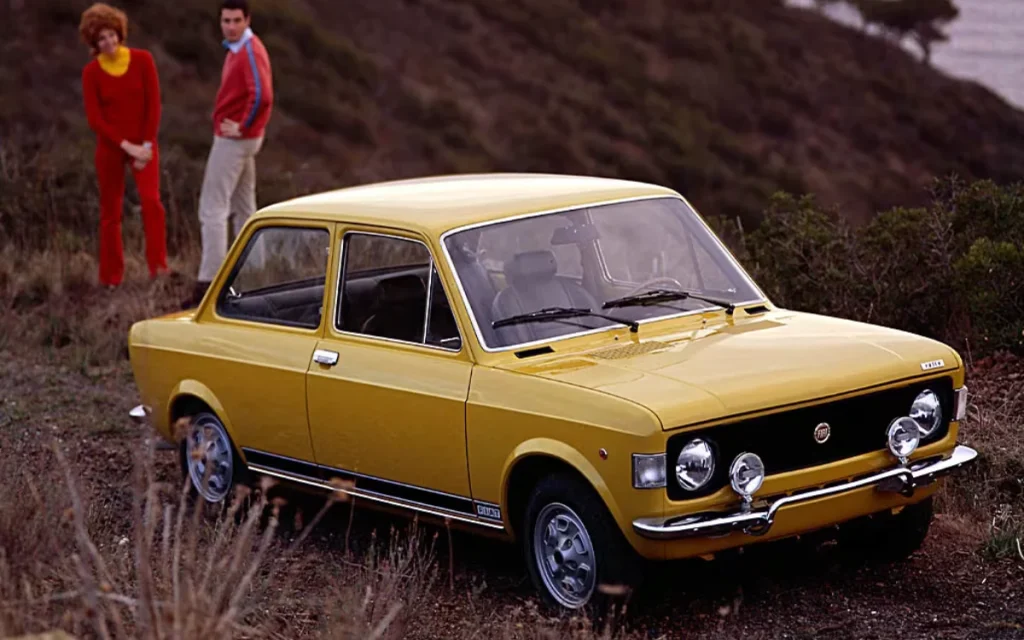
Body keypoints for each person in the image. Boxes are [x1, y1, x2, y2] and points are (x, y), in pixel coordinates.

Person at [186, 0, 274, 307]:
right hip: (245, 139)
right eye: (226, 20)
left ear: (247, 20)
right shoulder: (239, 48)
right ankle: (257, 274)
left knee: (212, 207)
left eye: (236, 20)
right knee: (244, 207)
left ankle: (208, 284)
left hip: (235, 140)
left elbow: (262, 94)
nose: (231, 26)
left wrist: (243, 126)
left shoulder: (249, 50)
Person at [80, 2, 169, 288]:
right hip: (111, 148)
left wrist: (144, 145)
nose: (107, 42)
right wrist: (127, 147)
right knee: (110, 213)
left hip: (144, 145)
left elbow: (154, 105)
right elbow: (95, 119)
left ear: (119, 32)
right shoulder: (91, 73)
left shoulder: (143, 60)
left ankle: (159, 269)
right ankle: (111, 278)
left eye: (110, 35)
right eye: (100, 39)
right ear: (94, 43)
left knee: (152, 202)